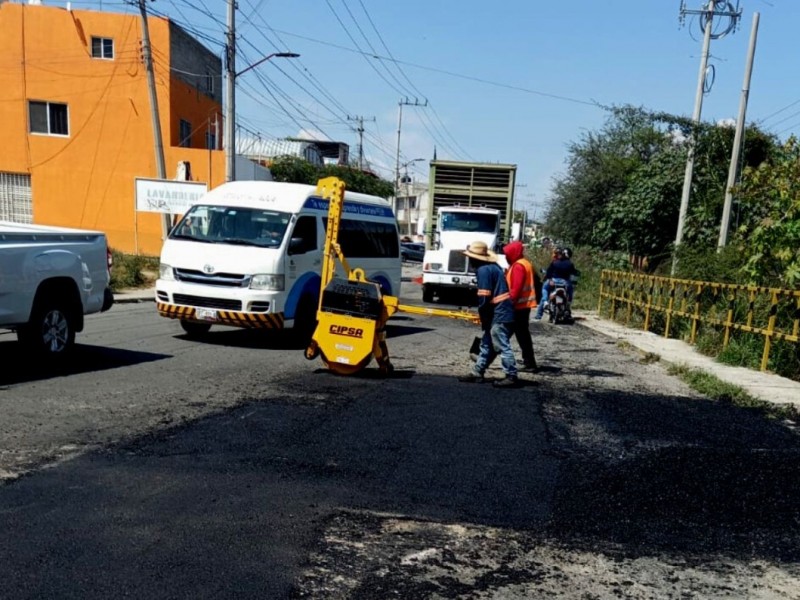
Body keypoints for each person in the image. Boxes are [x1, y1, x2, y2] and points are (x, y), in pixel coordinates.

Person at [458, 241, 519, 387]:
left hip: (499, 313)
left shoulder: (483, 270)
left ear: (475, 258)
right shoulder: (493, 267)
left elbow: (484, 296)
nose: (469, 260)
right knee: (486, 343)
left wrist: (484, 317)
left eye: (470, 257)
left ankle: (511, 375)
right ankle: (477, 372)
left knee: (501, 345)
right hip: (502, 311)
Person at [502, 241, 538, 371]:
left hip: (517, 307)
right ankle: (529, 362)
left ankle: (483, 358)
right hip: (523, 306)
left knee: (502, 333)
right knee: (522, 335)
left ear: (513, 253)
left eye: (507, 254)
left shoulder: (518, 266)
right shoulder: (525, 263)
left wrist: (508, 304)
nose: (505, 256)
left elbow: (515, 290)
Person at [534, 247, 578, 320]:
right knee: (570, 291)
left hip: (554, 281)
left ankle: (541, 310)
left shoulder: (555, 263)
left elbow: (548, 272)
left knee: (545, 289)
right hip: (565, 282)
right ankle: (568, 305)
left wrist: (550, 279)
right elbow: (574, 273)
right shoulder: (570, 264)